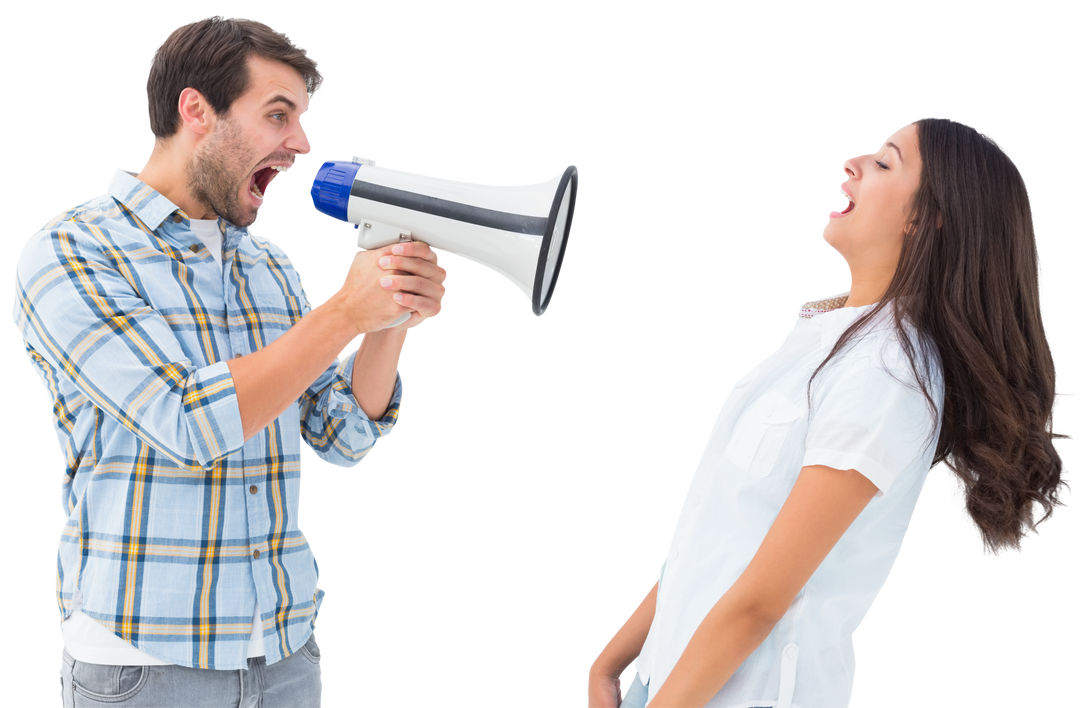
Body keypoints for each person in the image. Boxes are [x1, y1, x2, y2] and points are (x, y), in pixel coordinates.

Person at [11, 13, 448, 707]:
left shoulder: (269, 263)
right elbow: (187, 422)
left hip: (286, 656)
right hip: (144, 667)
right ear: (196, 111)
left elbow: (341, 436)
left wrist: (391, 318)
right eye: (279, 114)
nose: (302, 144)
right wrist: (344, 312)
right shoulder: (70, 251)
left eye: (303, 120)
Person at [585, 116, 1073, 708]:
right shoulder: (822, 335)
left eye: (886, 161)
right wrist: (611, 665)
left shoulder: (887, 375)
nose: (853, 163)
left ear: (927, 218)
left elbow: (762, 601)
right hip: (661, 688)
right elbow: (714, 540)